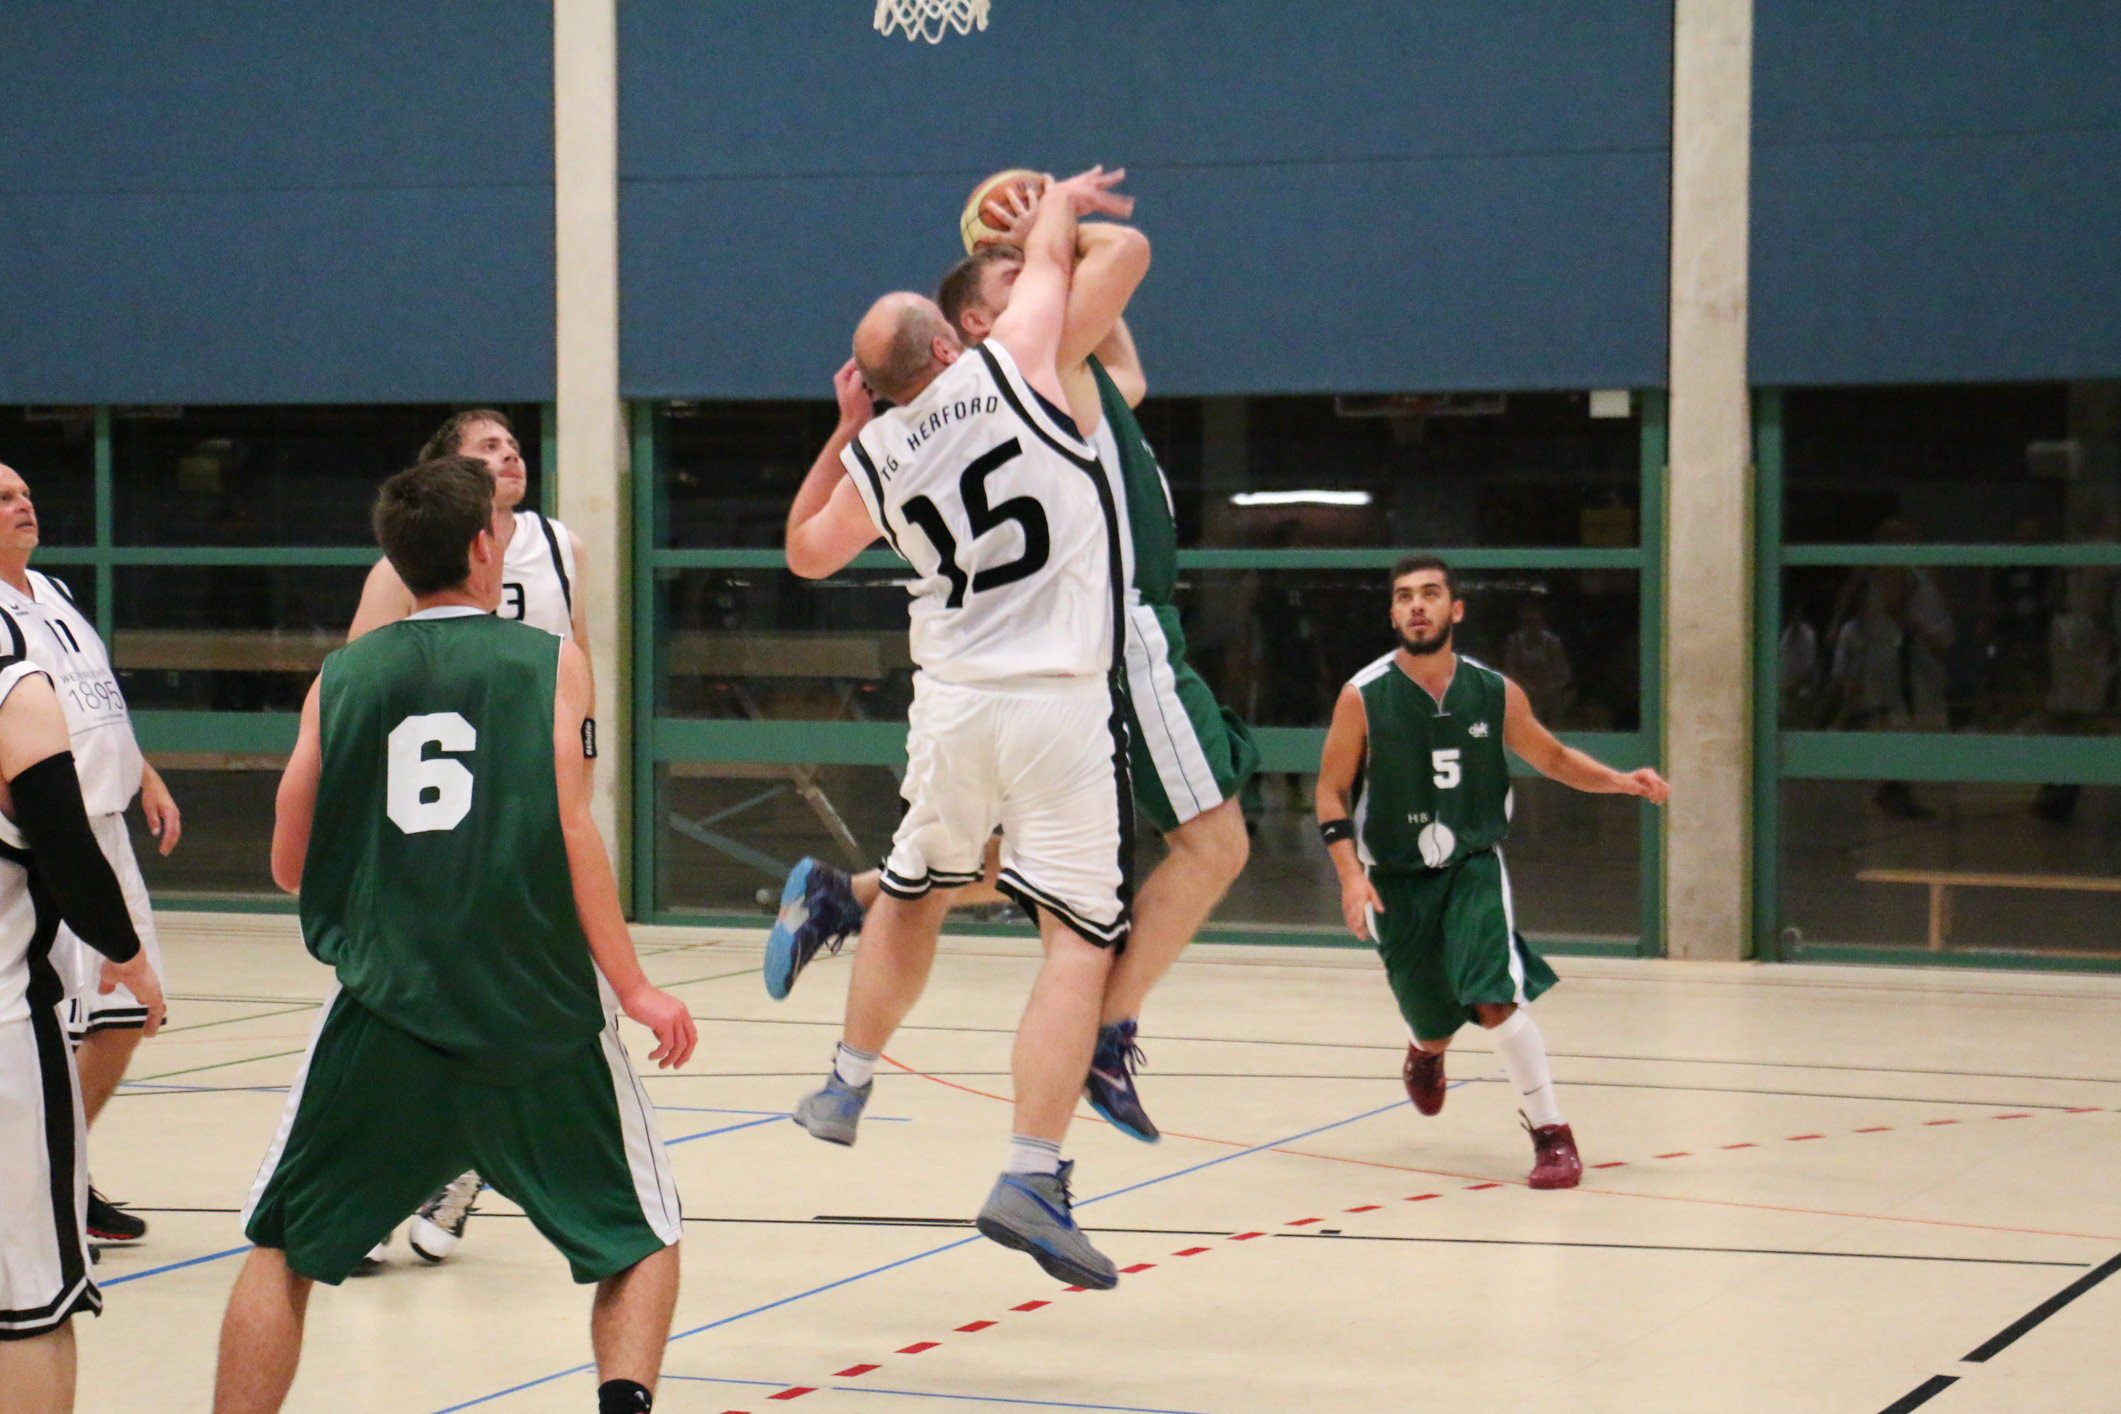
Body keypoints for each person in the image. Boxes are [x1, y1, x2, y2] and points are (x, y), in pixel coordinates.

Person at [766, 189, 1256, 1146]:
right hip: (1107, 639)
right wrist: (1050, 214)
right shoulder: (1031, 372)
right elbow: (1121, 253)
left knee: (1004, 870)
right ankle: (1095, 1044)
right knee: (1204, 852)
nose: (1050, 282)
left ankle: (849, 911)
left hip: (986, 687)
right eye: (1026, 280)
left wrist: (1030, 243)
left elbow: (805, 549)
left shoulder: (1059, 372)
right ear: (970, 330)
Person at [213, 457, 694, 1414]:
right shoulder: (550, 662)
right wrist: (637, 987)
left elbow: (288, 863)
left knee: (283, 1248)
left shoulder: (341, 677)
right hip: (536, 1007)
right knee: (642, 1242)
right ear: (484, 546)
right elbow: (572, 831)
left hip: (386, 1008)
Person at [781, 166, 1138, 1288]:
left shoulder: (876, 457)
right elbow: (1064, 263)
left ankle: (845, 1081)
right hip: (1058, 699)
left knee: (914, 886)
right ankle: (1031, 1174)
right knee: (1077, 941)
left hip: (951, 702)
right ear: (949, 345)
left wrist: (847, 431)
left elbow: (804, 552)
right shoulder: (1013, 362)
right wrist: (1056, 202)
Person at [1314, 555, 1668, 1189]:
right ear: (1392, 614)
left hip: (1471, 865)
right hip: (1395, 878)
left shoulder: (1495, 691)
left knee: (1494, 998)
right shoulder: (1362, 696)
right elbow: (1330, 792)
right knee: (1432, 1020)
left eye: (1430, 594)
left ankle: (1551, 1133)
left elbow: (1553, 757)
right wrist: (1349, 875)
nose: (1416, 605)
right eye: (1404, 596)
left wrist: (1620, 781)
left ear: (1456, 609)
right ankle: (1426, 1051)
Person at [345, 410, 591, 1266]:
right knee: (416, 1007)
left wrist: (578, 785)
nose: (510, 453)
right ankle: (379, 1188)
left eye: (513, 444)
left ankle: (456, 1171)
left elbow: (579, 667)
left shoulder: (558, 545)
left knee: (502, 1005)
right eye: (488, 447)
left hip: (522, 803)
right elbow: (357, 681)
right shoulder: (406, 566)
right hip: (434, 809)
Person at [0, 461, 181, 1246]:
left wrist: (145, 772)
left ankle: (64, 1172)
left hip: (109, 826)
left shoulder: (56, 592)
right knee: (50, 1022)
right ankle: (38, 1188)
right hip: (51, 842)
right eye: (3, 498)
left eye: (25, 493)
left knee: (125, 1014)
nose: (24, 505)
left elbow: (93, 700)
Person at [0, 607, 166, 1414]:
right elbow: (68, 852)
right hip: (5, 1036)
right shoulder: (16, 685)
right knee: (32, 1307)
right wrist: (128, 957)